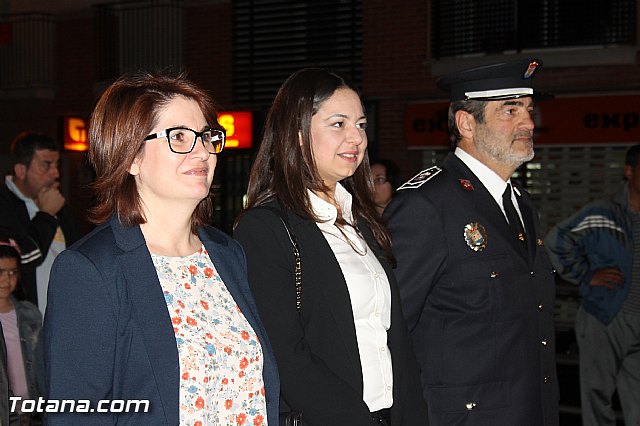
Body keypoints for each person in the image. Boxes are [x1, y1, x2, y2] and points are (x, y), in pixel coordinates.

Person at [43, 72, 279, 425]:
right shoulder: (90, 270)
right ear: (131, 158)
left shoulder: (226, 254)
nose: (202, 151)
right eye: (179, 137)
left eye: (206, 135)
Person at [234, 68, 427, 426]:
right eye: (338, 124)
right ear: (298, 135)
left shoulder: (362, 220)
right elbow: (285, 355)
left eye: (361, 124)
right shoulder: (266, 227)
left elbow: (393, 340)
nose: (357, 137)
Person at [384, 58, 558, 425]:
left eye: (528, 109)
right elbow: (391, 329)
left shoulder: (520, 203)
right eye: (509, 110)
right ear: (466, 123)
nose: (528, 122)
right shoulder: (427, 203)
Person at [545, 144, 640, 426]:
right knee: (597, 398)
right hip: (604, 317)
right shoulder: (605, 212)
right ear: (629, 172)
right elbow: (556, 241)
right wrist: (586, 275)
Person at [0, 132, 79, 313]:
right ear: (21, 170)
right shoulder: (5, 204)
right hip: (24, 324)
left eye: (57, 164)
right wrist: (46, 216)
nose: (56, 173)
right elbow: (21, 258)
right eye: (46, 165)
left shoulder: (59, 206)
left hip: (62, 319)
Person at [0, 237, 43, 425]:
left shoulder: (30, 312)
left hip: (32, 409)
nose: (6, 280)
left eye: (12, 272)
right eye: (0, 272)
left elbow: (42, 359)